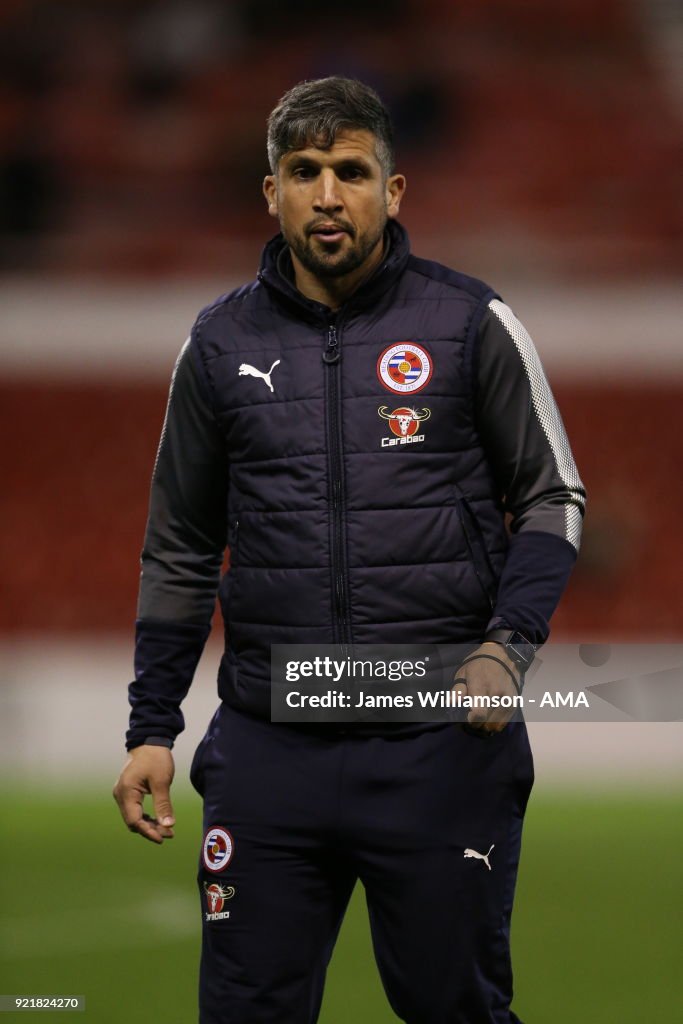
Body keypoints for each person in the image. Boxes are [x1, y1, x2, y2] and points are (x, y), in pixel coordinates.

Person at [113, 76, 586, 1024]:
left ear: (393, 190)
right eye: (304, 172)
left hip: (437, 744)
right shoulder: (217, 344)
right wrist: (151, 727)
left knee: (455, 1009)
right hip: (268, 750)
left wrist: (507, 645)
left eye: (351, 171)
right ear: (271, 192)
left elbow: (552, 498)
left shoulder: (470, 324)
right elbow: (178, 546)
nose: (328, 195)